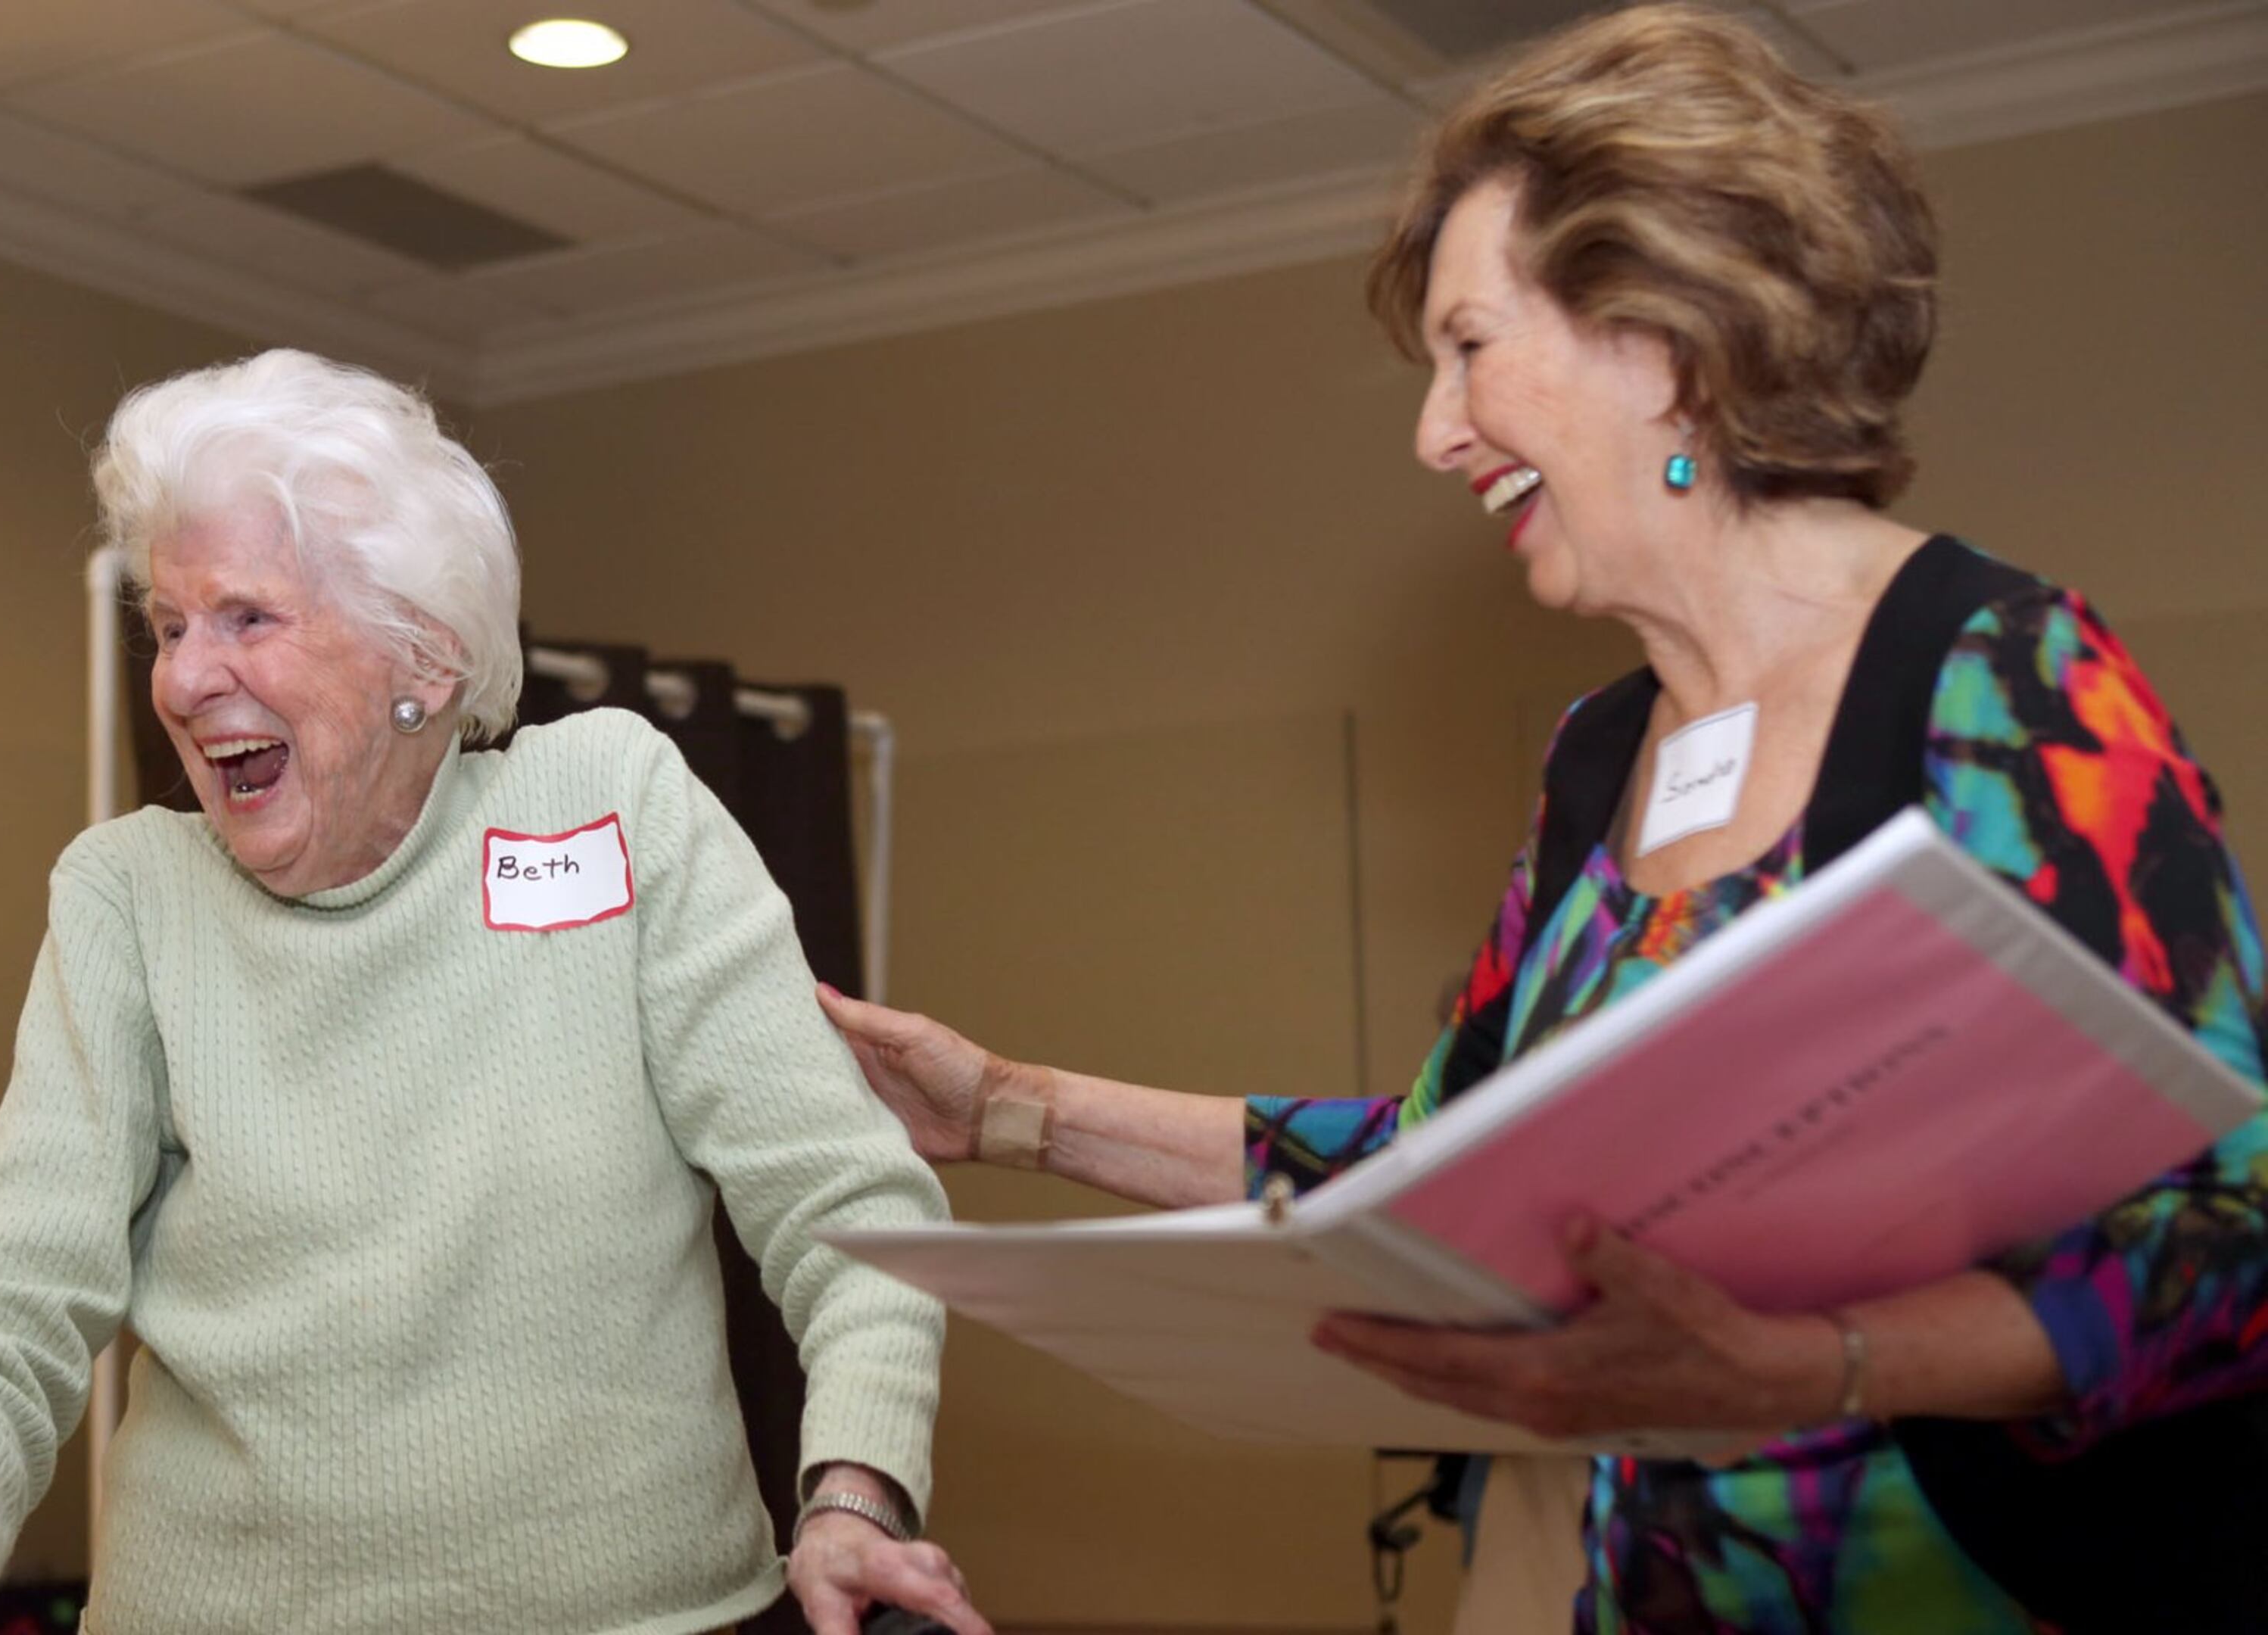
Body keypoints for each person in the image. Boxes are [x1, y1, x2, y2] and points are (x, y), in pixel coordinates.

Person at [819, 8, 2268, 1632]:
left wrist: (1809, 1366)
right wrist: (1010, 1109)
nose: (1435, 432)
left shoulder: (2003, 681)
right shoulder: (1599, 755)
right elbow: (1446, 1170)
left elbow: (2231, 1232)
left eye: (1471, 348)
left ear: (1665, 336)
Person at [0, 350, 990, 1635]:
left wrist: (856, 1496)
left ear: (426, 652)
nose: (187, 680)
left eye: (247, 617)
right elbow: (14, 1292)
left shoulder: (617, 808)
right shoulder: (129, 896)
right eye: (170, 627)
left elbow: (846, 1207)